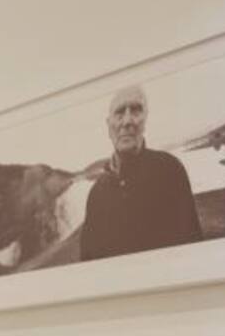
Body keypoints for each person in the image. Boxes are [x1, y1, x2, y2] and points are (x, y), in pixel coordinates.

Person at [79, 85, 203, 261]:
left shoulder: (169, 170)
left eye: (135, 110)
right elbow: (88, 263)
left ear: (145, 120)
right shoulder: (96, 193)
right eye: (119, 112)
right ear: (109, 126)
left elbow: (193, 248)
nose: (127, 121)